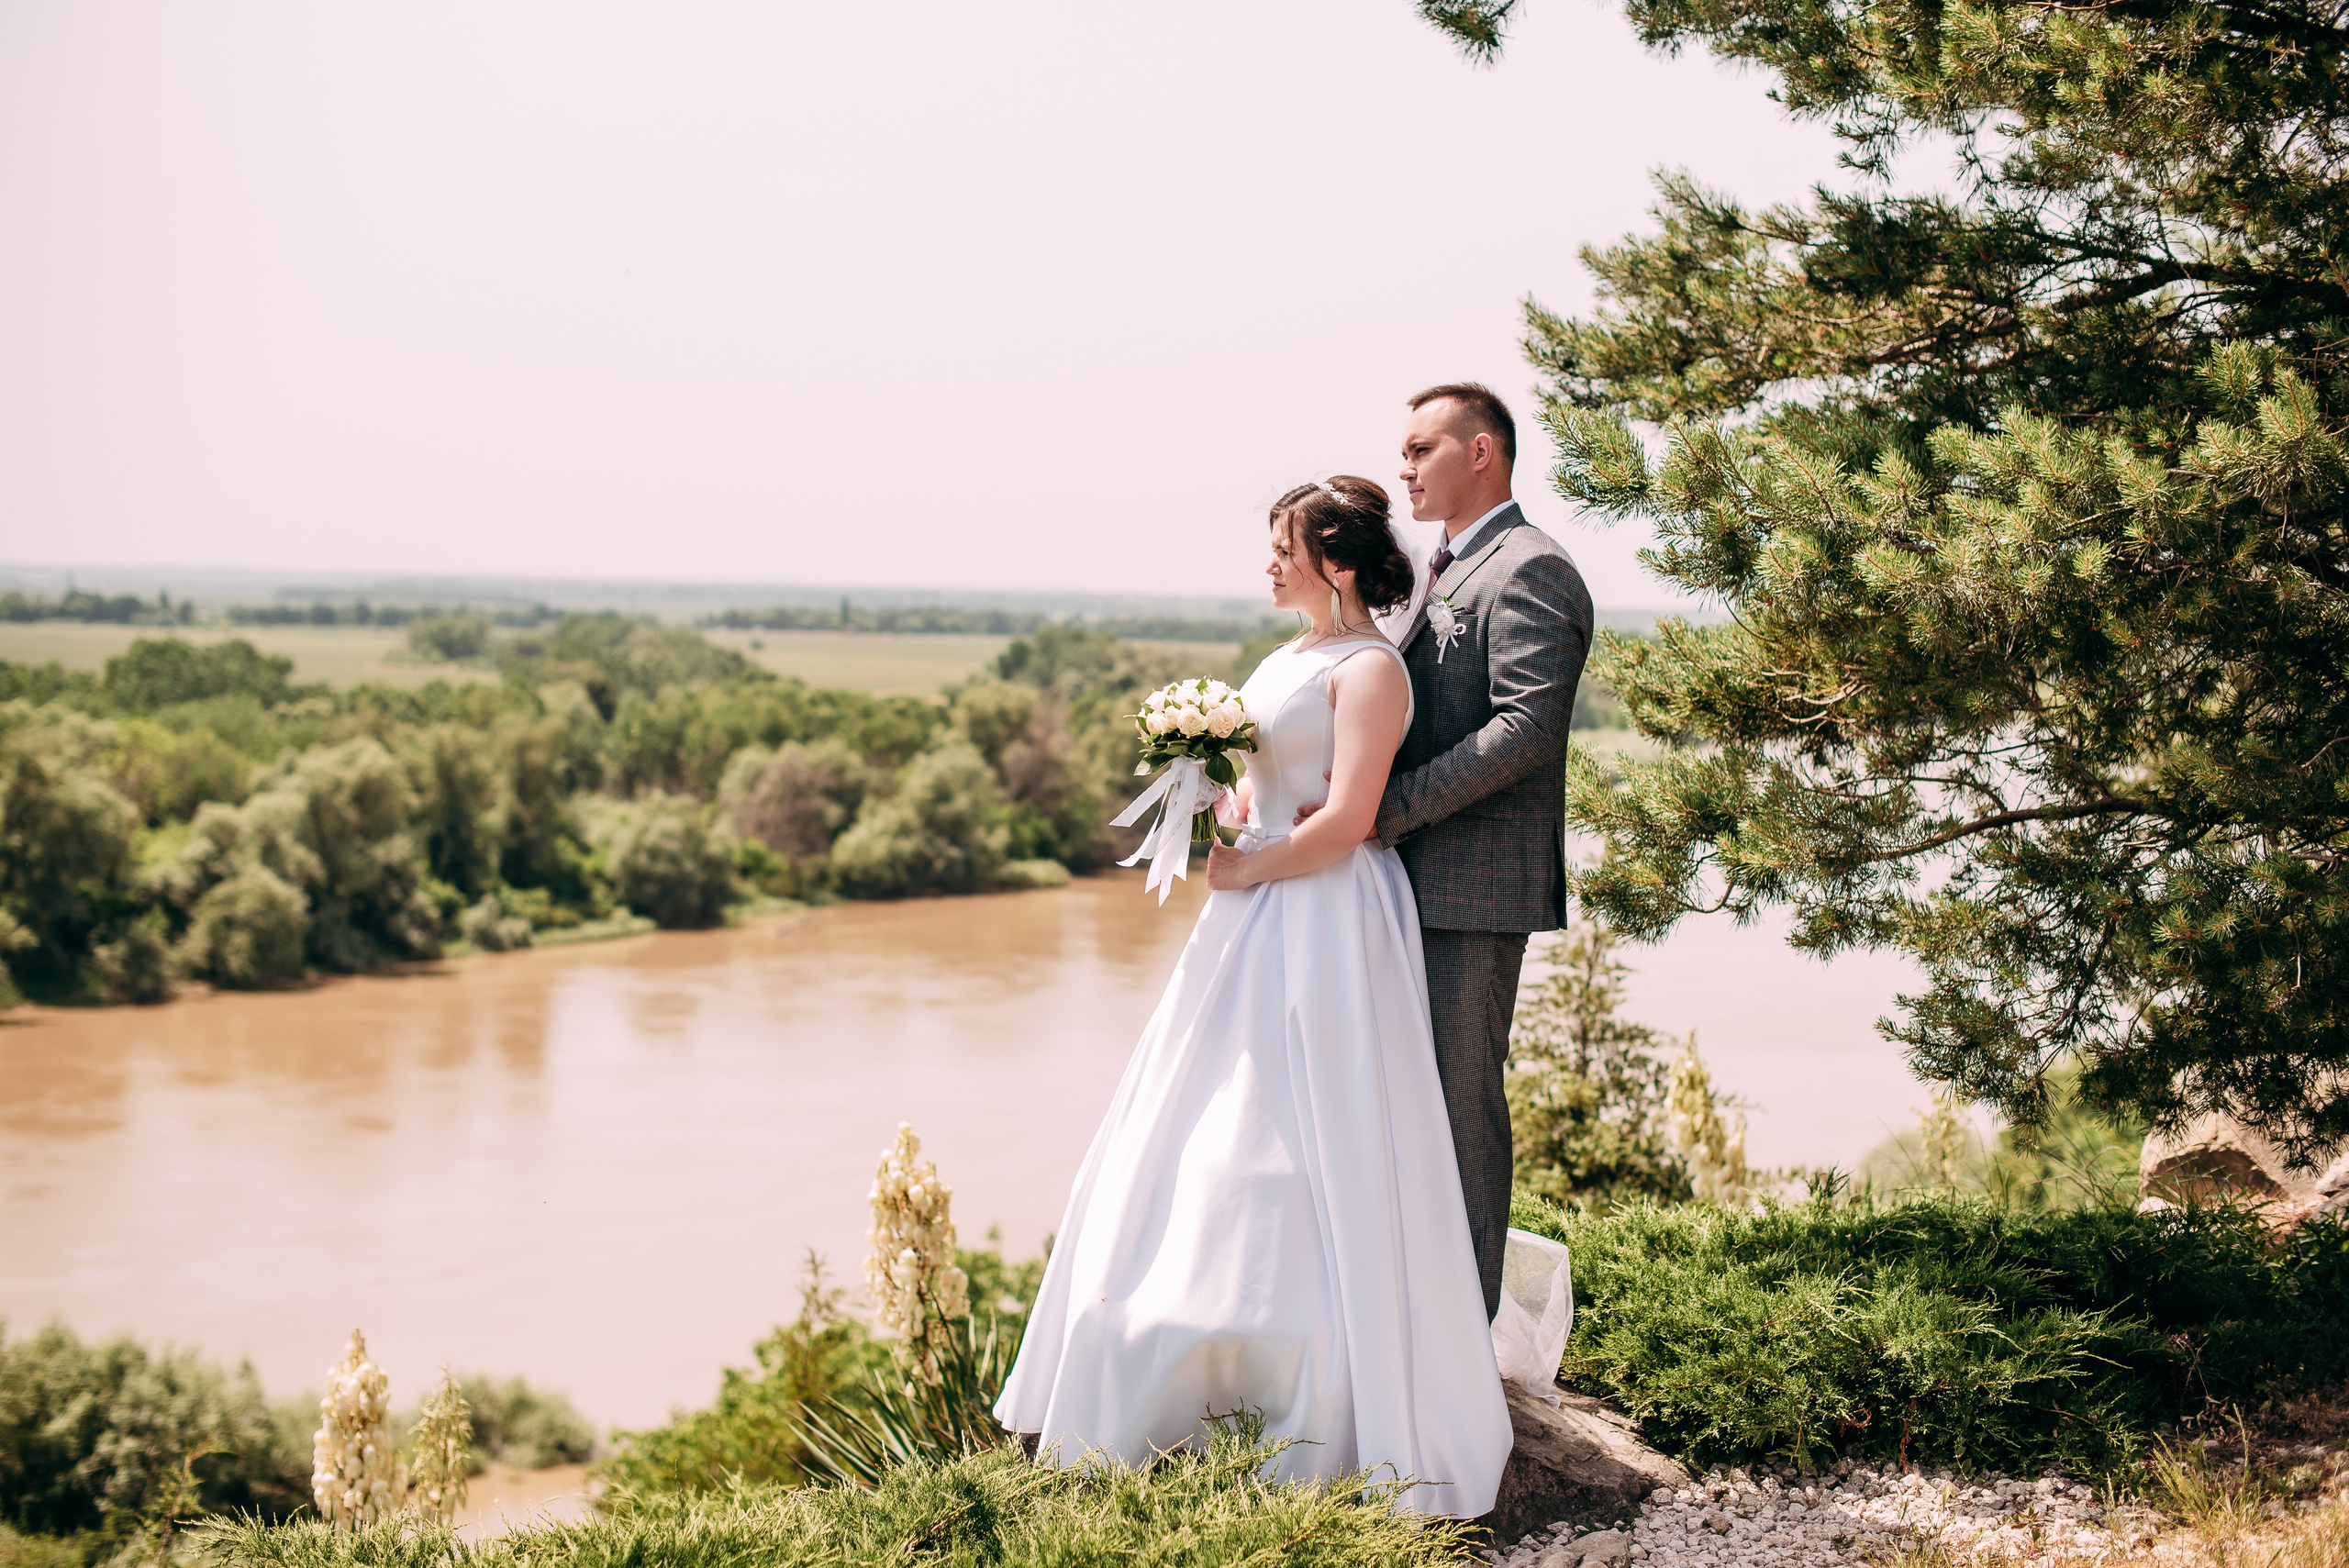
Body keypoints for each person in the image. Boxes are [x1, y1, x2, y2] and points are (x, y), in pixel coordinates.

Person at [993, 476, 1513, 1518]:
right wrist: (1230, 800)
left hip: (1325, 919)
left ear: (1337, 557)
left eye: (1283, 544)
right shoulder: (1286, 657)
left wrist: (1250, 866)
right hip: (1253, 915)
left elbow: (1353, 816)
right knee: (1200, 1120)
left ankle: (1313, 1389)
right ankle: (1174, 1367)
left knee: (1311, 1133)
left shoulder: (1370, 671)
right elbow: (1271, 785)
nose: (1267, 562)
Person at [1365, 383, 1593, 1319]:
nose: (1405, 467)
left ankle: (1461, 1331)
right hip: (1400, 880)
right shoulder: (1439, 567)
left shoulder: (1531, 567)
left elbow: (1527, 728)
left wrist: (1391, 808)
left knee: (1460, 1106)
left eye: (1421, 448)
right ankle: (1402, 1306)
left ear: (1483, 452)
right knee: (1395, 1098)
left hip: (1471, 888)